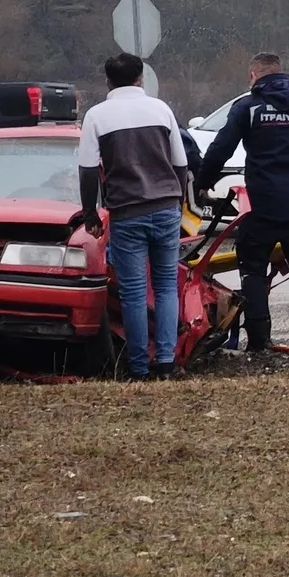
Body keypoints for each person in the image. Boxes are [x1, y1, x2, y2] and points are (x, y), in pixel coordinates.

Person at [195, 52, 289, 352]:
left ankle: (260, 340)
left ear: (254, 76)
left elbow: (220, 149)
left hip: (262, 206)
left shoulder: (248, 107)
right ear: (281, 72)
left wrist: (201, 183)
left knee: (254, 271)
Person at [77, 51, 190, 378]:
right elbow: (180, 163)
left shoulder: (97, 116)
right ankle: (167, 362)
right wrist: (177, 201)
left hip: (127, 213)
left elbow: (86, 171)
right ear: (141, 78)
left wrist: (90, 215)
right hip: (166, 207)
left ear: (108, 81)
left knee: (134, 292)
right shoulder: (161, 109)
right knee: (168, 285)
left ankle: (139, 367)